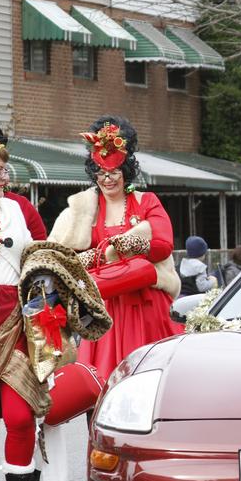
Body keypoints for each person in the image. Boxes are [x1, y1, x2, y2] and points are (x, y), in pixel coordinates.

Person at [48, 116, 180, 381]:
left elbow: (163, 247)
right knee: (100, 385)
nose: (107, 179)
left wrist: (136, 244)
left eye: (114, 173)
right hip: (104, 304)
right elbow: (58, 256)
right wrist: (90, 257)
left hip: (144, 305)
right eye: (101, 173)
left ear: (126, 172)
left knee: (148, 379)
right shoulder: (82, 209)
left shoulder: (147, 202)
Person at [0, 137, 42, 481]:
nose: (4, 174)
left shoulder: (17, 209)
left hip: (14, 319)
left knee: (20, 416)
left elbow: (40, 257)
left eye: (4, 168)